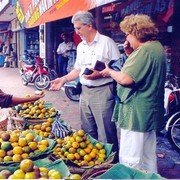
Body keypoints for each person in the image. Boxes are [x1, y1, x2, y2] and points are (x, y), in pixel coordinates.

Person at [50, 11, 121, 161]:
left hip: (103, 91)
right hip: (85, 92)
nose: (76, 32)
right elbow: (78, 69)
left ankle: (111, 163)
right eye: (75, 28)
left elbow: (118, 68)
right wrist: (63, 79)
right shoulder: (81, 46)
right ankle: (93, 162)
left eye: (78, 28)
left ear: (89, 26)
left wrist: (100, 74)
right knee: (87, 131)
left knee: (106, 131)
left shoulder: (107, 42)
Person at [100, 14, 166, 173]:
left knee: (131, 157)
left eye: (127, 34)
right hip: (148, 110)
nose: (127, 38)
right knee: (147, 154)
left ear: (136, 33)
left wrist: (109, 72)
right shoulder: (156, 47)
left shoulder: (144, 51)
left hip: (136, 112)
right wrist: (130, 53)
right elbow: (143, 70)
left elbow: (126, 78)